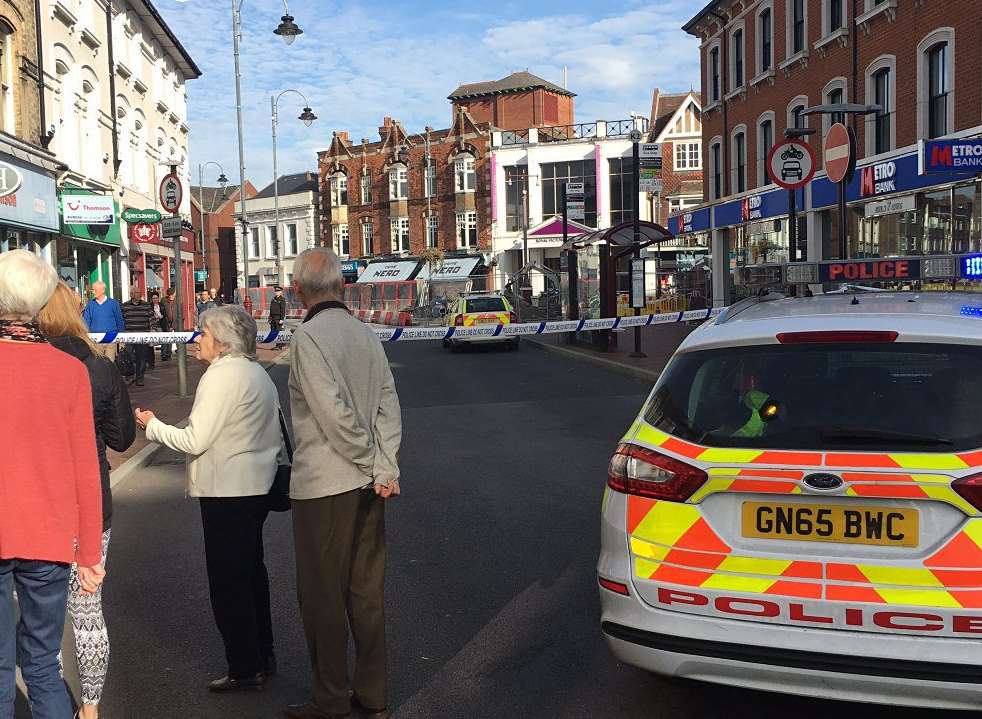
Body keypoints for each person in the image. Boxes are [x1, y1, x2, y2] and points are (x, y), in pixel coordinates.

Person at [135, 305, 280, 693]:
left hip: (225, 491)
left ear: (222, 340)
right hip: (256, 487)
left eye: (203, 333)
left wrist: (154, 427)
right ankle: (262, 653)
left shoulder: (220, 377)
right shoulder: (255, 373)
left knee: (228, 584)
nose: (197, 339)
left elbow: (195, 439)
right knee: (251, 575)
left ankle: (244, 666)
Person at [284, 247, 402, 719]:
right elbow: (388, 404)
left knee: (322, 596)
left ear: (298, 290)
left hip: (323, 487)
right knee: (366, 592)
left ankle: (330, 698)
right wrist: (384, 466)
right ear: (341, 285)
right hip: (370, 486)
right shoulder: (367, 335)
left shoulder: (307, 338)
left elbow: (331, 414)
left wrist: (369, 459)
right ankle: (374, 696)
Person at [0, 250, 105, 719]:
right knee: (42, 664)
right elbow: (86, 467)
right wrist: (89, 556)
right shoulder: (70, 372)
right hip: (49, 539)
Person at [38, 282, 136, 719]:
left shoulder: (34, 364)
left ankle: (55, 701)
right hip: (93, 497)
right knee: (88, 608)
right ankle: (92, 710)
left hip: (45, 500)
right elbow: (122, 436)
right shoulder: (99, 366)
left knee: (47, 614)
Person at [82, 280, 125, 361]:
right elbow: (86, 322)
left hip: (111, 337)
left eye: (95, 290)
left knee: (110, 362)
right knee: (98, 363)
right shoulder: (90, 304)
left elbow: (119, 320)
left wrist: (122, 339)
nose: (93, 292)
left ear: (103, 290)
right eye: (93, 290)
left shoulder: (113, 303)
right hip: (95, 339)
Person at [121, 288, 153, 386]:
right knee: (129, 356)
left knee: (142, 358)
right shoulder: (124, 306)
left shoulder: (146, 305)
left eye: (139, 292)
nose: (139, 294)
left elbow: (152, 319)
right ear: (131, 295)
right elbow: (121, 320)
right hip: (129, 336)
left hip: (143, 336)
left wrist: (152, 331)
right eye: (136, 293)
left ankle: (140, 378)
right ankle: (130, 376)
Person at [159, 287, 175, 361]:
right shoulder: (164, 301)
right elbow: (167, 312)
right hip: (166, 322)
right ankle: (165, 354)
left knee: (170, 339)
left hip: (172, 322)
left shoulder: (175, 300)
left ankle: (168, 354)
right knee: (166, 339)